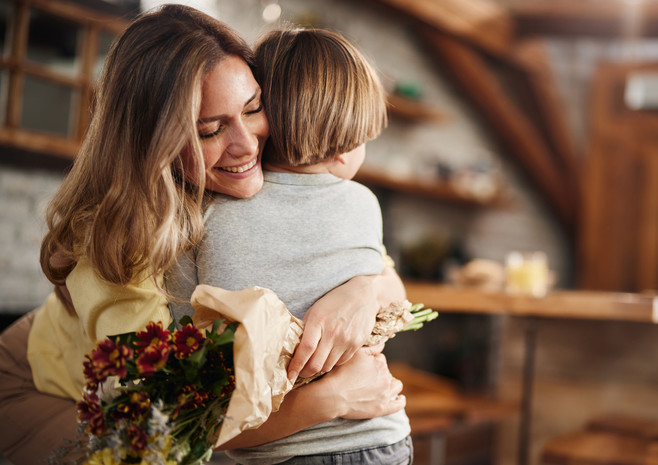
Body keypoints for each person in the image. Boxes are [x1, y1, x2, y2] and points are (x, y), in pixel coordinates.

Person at [0, 5, 405, 464]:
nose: (247, 145)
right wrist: (330, 400)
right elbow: (158, 425)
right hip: (35, 381)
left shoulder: (253, 176)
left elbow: (388, 282)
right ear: (157, 145)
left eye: (254, 108)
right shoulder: (123, 244)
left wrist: (359, 292)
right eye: (210, 131)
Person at [165, 28, 412, 464]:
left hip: (271, 450)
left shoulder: (198, 216)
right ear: (343, 149)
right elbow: (396, 302)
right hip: (378, 436)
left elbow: (187, 352)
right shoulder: (362, 205)